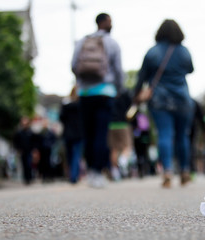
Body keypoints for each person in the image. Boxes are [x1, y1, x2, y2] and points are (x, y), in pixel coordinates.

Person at [134, 19, 194, 188]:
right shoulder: (184, 52)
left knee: (165, 134)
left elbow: (142, 77)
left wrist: (135, 96)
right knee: (182, 136)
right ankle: (184, 171)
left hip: (159, 99)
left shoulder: (152, 52)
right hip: (182, 98)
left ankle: (167, 171)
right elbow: (191, 69)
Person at [71, 13, 124, 188]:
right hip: (105, 92)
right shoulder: (112, 43)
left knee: (88, 134)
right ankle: (97, 172)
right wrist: (118, 89)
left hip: (85, 93)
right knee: (101, 134)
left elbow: (73, 65)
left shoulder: (82, 41)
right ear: (107, 23)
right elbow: (118, 70)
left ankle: (90, 172)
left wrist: (83, 82)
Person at [59, 86, 83, 184]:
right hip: (79, 133)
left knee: (69, 155)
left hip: (68, 133)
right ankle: (74, 176)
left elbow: (61, 118)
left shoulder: (66, 105)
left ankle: (72, 175)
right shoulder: (81, 104)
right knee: (76, 154)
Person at [108, 89, 133, 181]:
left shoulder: (110, 93)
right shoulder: (125, 94)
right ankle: (123, 160)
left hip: (111, 124)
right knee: (127, 146)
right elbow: (131, 108)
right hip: (123, 124)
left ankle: (115, 171)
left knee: (114, 149)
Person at [13, 117, 35, 185]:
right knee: (24, 165)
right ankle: (26, 179)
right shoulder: (19, 133)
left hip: (29, 151)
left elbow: (34, 142)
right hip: (22, 151)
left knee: (29, 164)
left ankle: (30, 178)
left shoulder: (30, 132)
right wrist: (18, 149)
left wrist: (34, 150)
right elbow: (15, 142)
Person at [37, 119, 57, 183]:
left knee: (49, 163)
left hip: (48, 150)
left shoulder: (50, 132)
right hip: (42, 150)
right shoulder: (41, 132)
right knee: (43, 163)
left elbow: (54, 139)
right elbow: (38, 141)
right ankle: (44, 177)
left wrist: (50, 145)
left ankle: (50, 177)